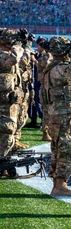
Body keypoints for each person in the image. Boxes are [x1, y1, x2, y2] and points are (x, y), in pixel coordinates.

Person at [39, 36, 71, 196]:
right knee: (67, 148)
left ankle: (58, 183)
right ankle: (60, 184)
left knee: (59, 148)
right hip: (64, 115)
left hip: (58, 114)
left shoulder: (52, 67)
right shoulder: (59, 68)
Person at [0, 29, 26, 158]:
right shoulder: (3, 55)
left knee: (8, 132)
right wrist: (18, 45)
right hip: (3, 103)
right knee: (6, 132)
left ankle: (3, 162)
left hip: (8, 101)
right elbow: (14, 59)